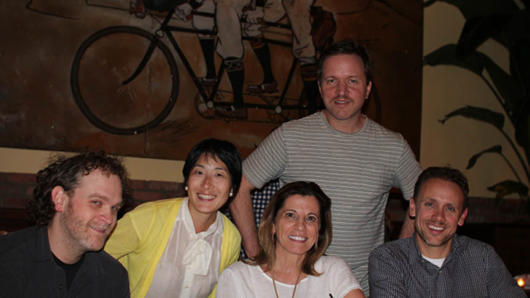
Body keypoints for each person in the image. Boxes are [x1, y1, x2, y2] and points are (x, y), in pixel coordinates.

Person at [230, 39, 422, 293]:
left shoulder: (393, 147)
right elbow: (238, 185)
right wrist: (256, 255)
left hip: (361, 289)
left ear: (367, 89)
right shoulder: (290, 136)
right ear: (320, 88)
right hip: (291, 289)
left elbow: (424, 201)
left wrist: (396, 262)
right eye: (331, 81)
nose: (341, 91)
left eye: (352, 81)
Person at [105, 138, 242, 298]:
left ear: (232, 188)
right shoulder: (147, 218)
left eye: (219, 174)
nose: (207, 184)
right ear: (187, 181)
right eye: (199, 172)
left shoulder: (231, 238)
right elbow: (94, 262)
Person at [368, 167, 526, 297]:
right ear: (413, 207)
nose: (438, 217)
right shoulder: (388, 259)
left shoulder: (483, 257)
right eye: (430, 204)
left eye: (450, 208)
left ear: (462, 217)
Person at [0, 152, 130, 297]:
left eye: (114, 208)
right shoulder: (7, 261)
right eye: (96, 202)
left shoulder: (113, 277)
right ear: (60, 199)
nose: (109, 219)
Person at [217, 181, 365, 297]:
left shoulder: (333, 270)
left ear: (319, 229)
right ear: (273, 223)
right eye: (290, 215)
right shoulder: (237, 277)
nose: (300, 226)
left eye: (311, 218)